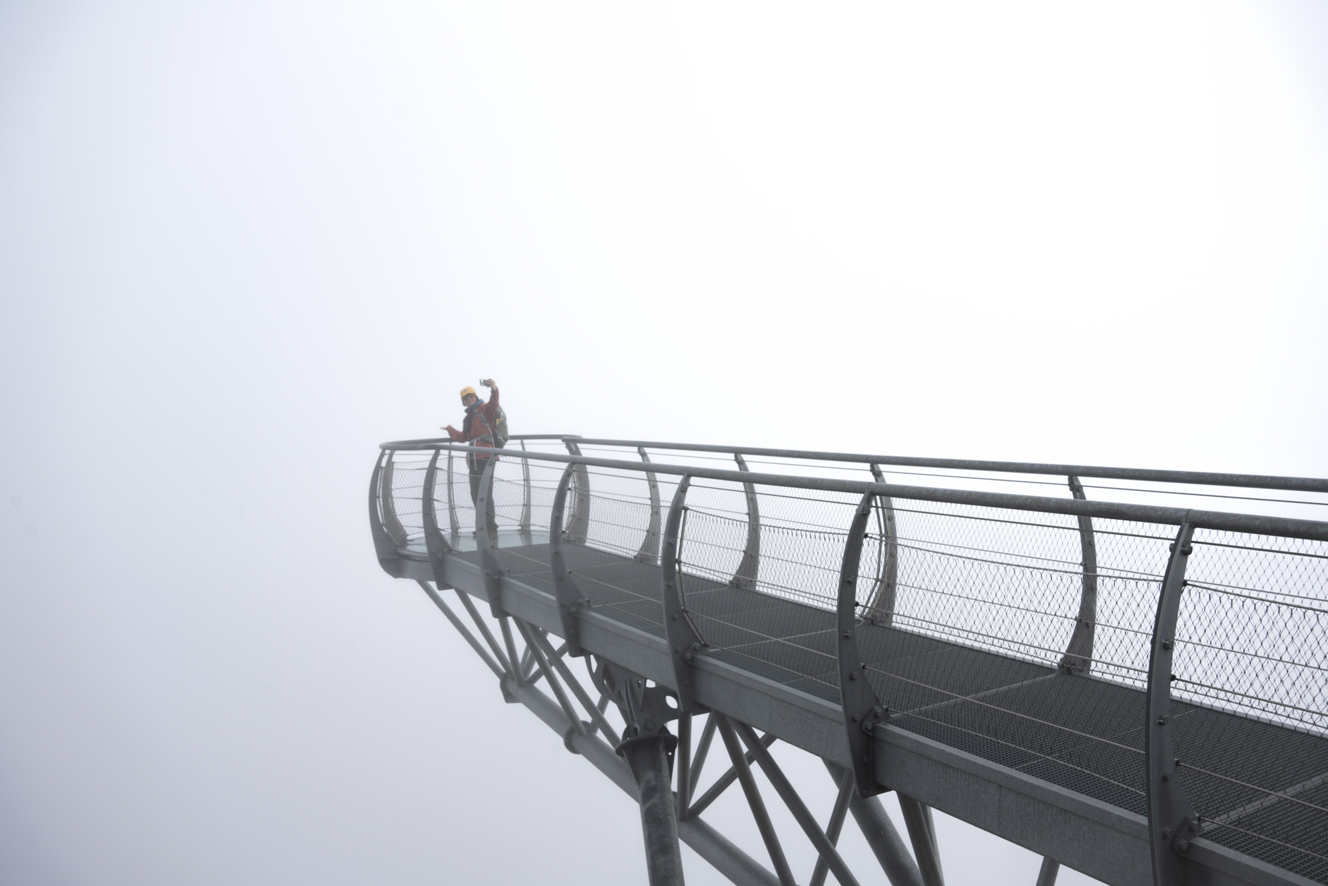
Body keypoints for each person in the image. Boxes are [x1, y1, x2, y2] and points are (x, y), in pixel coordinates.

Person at [443, 379, 500, 540]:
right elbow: (464, 437)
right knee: (475, 494)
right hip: (473, 459)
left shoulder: (484, 409)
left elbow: (493, 404)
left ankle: (491, 529)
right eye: (465, 398)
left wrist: (494, 389)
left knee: (485, 493)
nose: (468, 399)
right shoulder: (469, 417)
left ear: (475, 396)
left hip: (486, 456)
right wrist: (449, 429)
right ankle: (482, 527)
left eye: (470, 396)